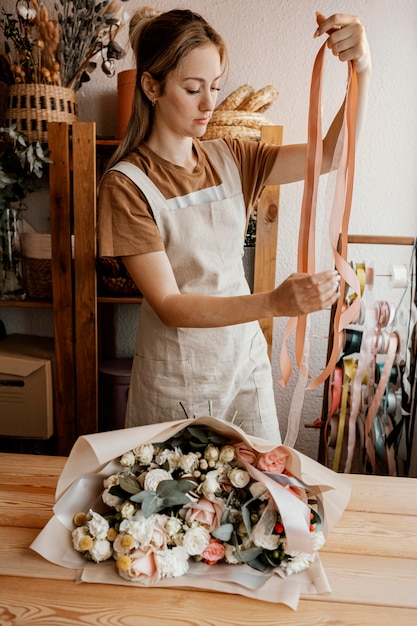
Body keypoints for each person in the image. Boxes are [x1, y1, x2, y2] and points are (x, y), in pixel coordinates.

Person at [97, 7, 371, 442]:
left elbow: (332, 154)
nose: (210, 103)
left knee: (263, 495)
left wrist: (362, 72)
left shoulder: (234, 157)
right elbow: (169, 304)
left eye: (215, 87)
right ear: (151, 86)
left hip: (243, 370)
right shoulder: (126, 185)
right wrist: (273, 303)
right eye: (192, 89)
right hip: (175, 382)